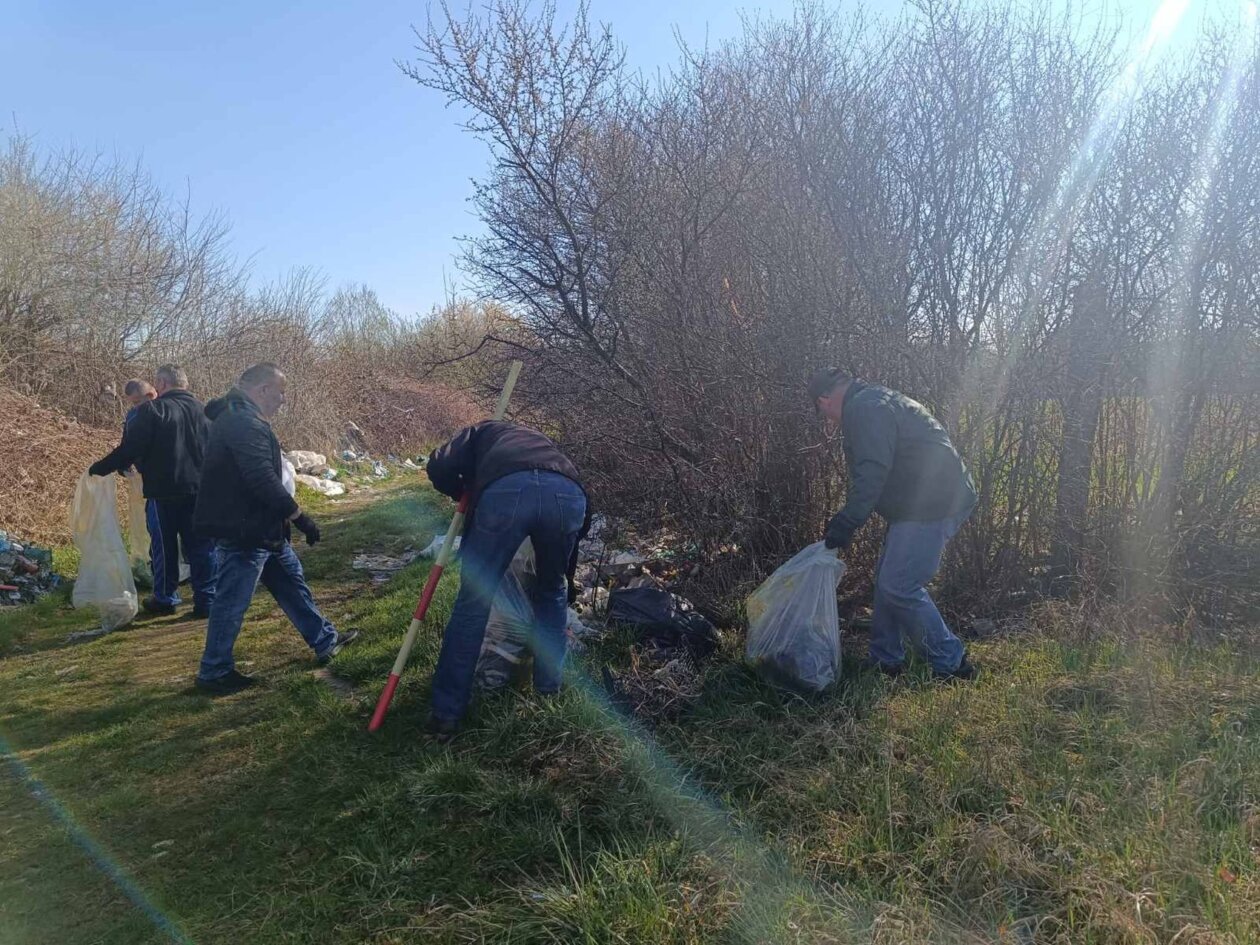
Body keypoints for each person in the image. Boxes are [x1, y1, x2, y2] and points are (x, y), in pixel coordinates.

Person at [192, 363, 357, 696]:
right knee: (231, 602)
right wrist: (299, 516)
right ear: (262, 389)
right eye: (280, 391)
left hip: (264, 529)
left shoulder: (240, 417)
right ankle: (214, 671)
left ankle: (325, 640)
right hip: (245, 531)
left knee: (292, 584)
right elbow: (261, 479)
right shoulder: (242, 422)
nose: (283, 399)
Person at [808, 368, 978, 680]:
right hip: (922, 501)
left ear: (825, 399)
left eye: (823, 413)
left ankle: (953, 664)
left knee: (899, 585)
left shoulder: (865, 409)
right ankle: (885, 660)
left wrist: (849, 520)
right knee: (888, 580)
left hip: (933, 504)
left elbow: (873, 469)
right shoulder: (874, 399)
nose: (829, 421)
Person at [424, 420, 589, 739]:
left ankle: (446, 715)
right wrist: (566, 582)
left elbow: (438, 463)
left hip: (506, 494)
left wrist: (460, 492)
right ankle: (548, 693)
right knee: (551, 592)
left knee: (474, 602)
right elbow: (579, 531)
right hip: (569, 494)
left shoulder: (481, 430)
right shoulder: (544, 441)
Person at [89, 364, 216, 618]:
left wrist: (100, 468)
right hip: (201, 491)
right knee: (202, 546)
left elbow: (130, 448)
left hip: (163, 491)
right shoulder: (205, 411)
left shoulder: (153, 411)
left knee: (164, 547)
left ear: (161, 383)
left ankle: (165, 598)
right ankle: (207, 600)